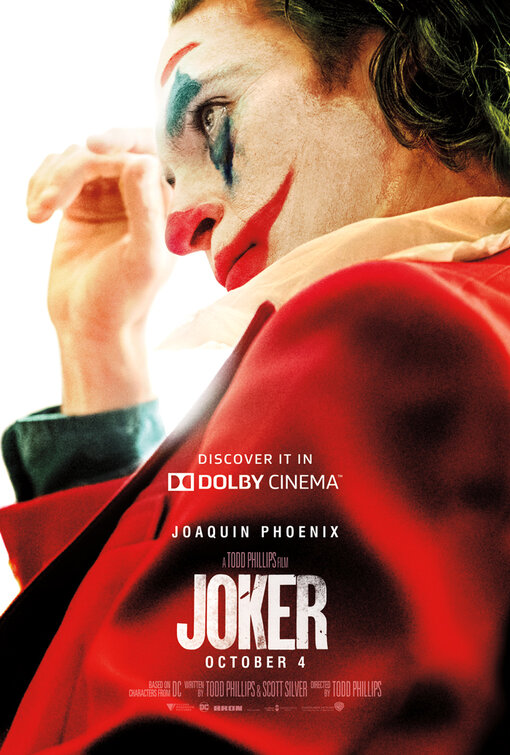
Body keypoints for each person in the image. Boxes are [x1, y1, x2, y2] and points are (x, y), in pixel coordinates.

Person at [1, 0, 510, 752]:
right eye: (168, 177)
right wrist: (98, 339)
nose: (179, 228)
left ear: (409, 65)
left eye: (210, 116)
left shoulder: (384, 324)